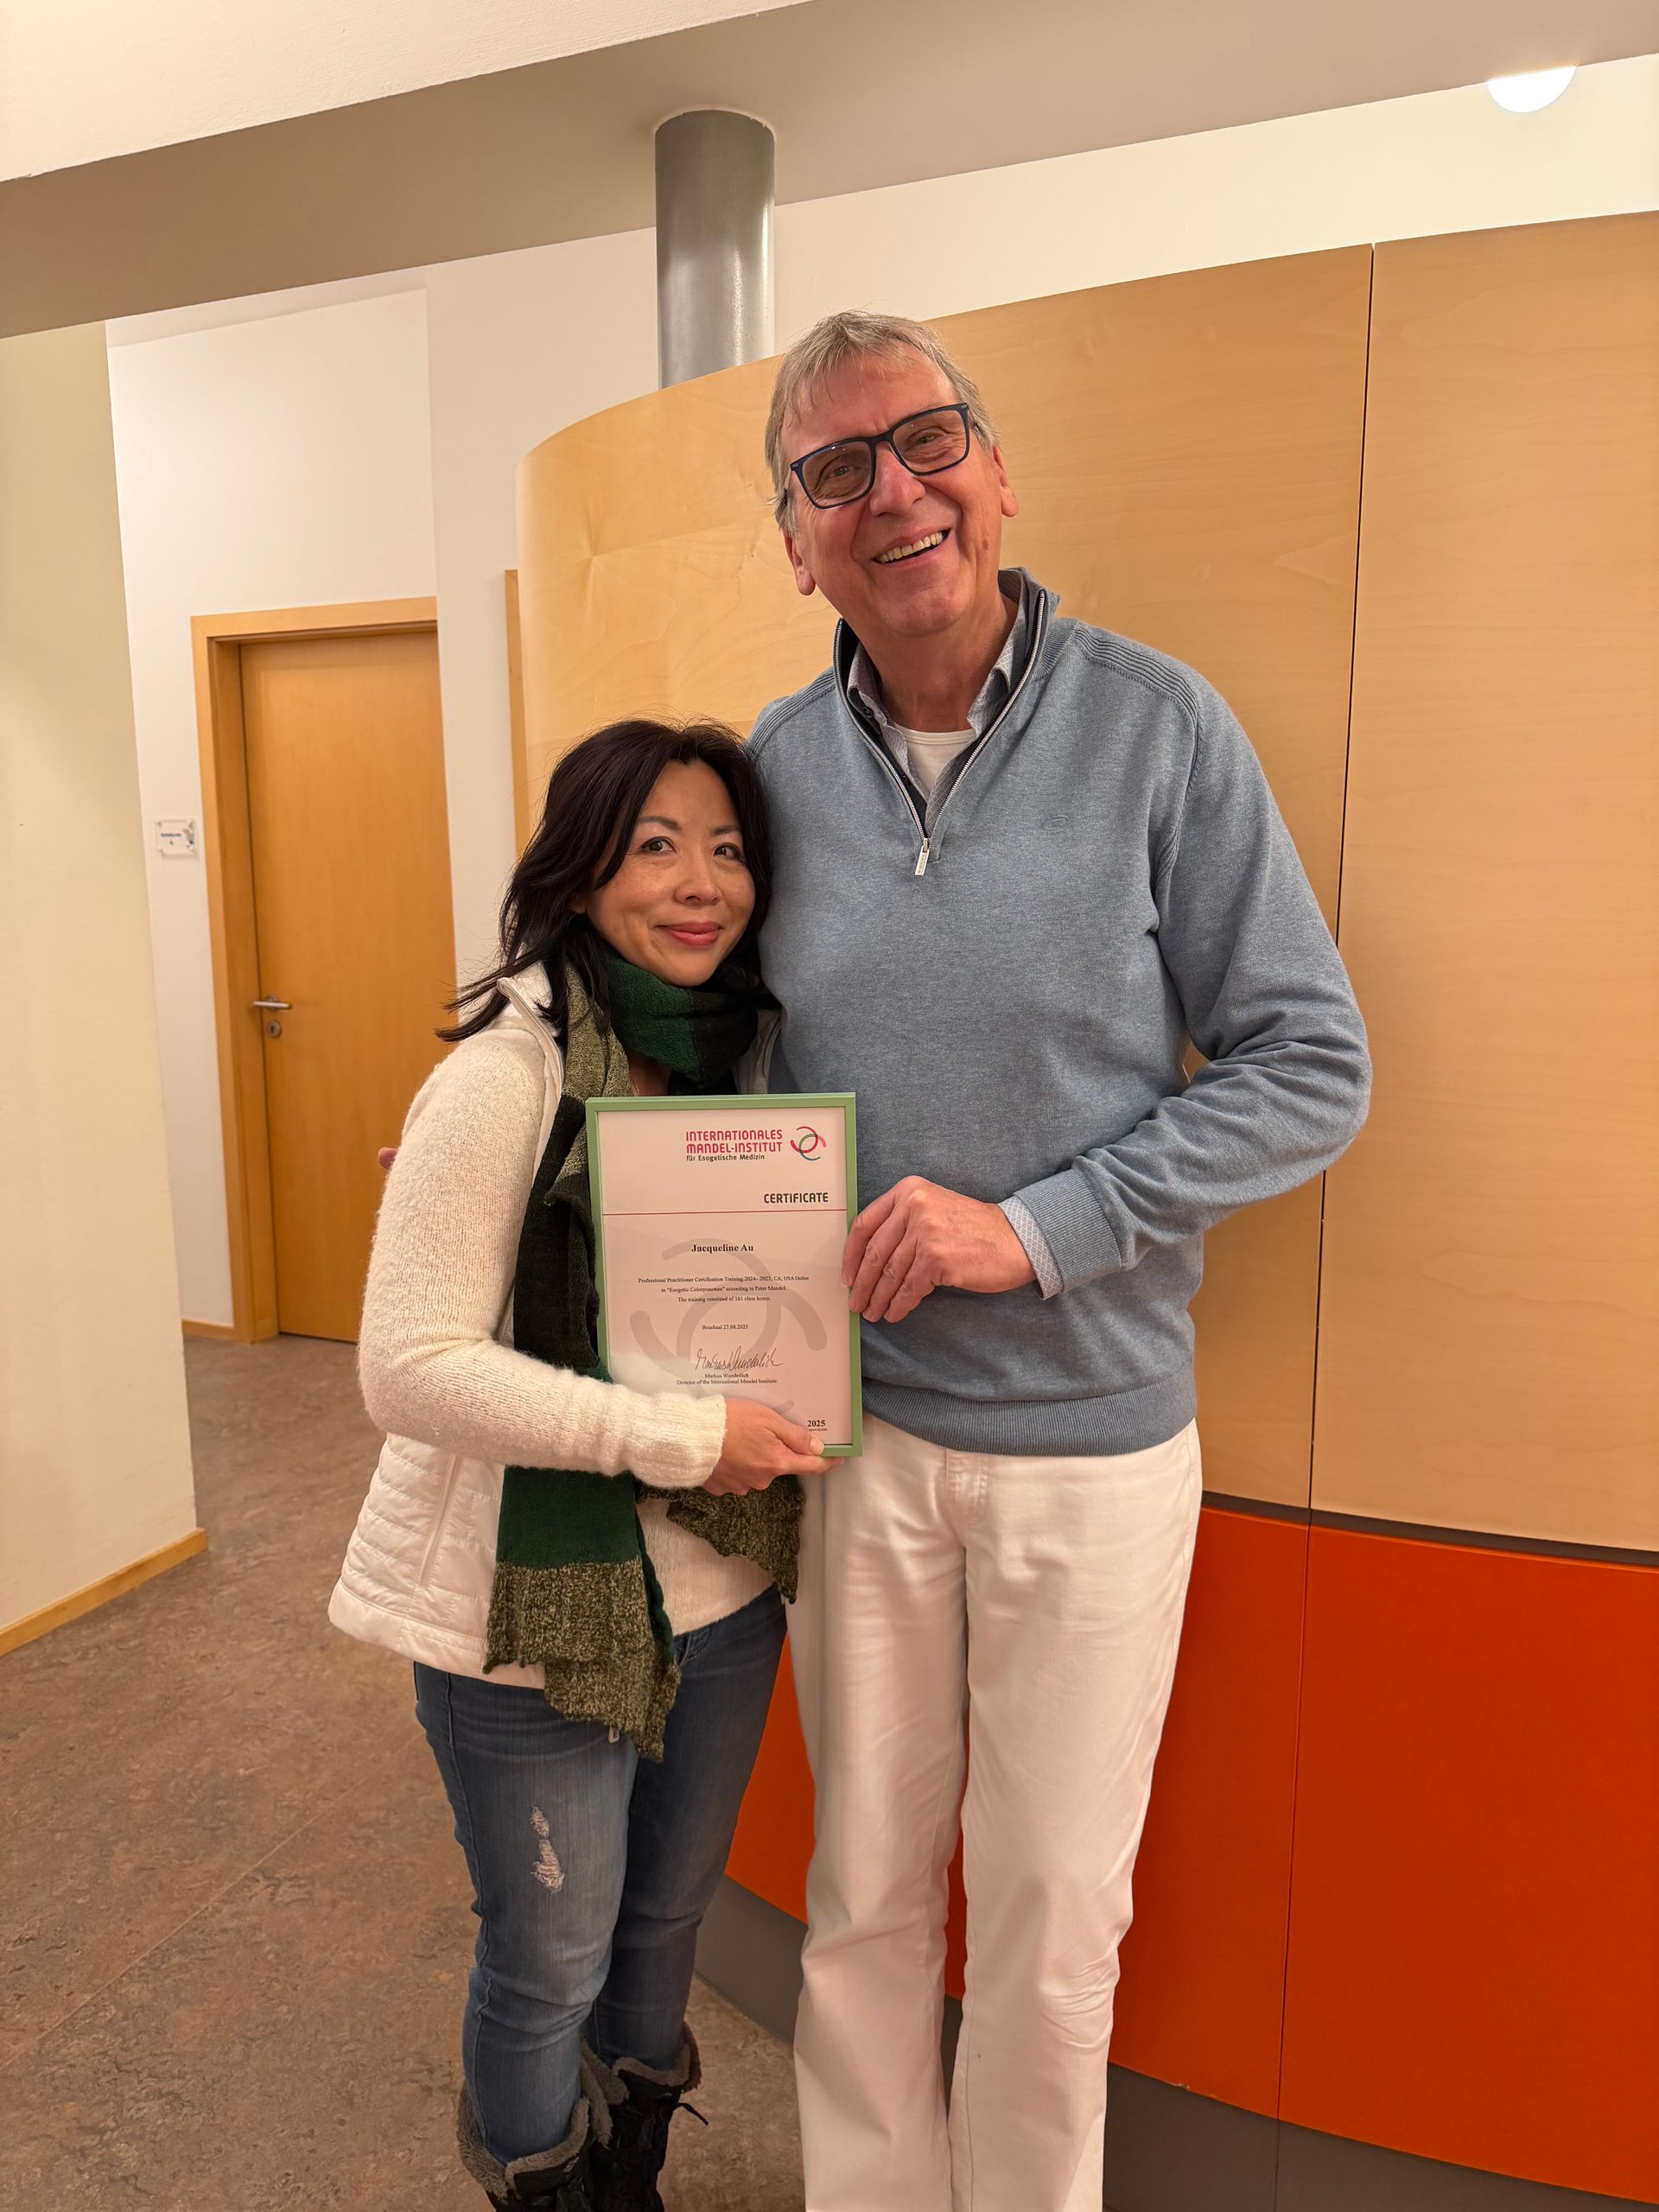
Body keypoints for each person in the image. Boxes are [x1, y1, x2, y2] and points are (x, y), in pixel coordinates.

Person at [747, 311, 1372, 2212]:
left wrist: (1032, 1233)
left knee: (1046, 1915)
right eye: (835, 471)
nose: (893, 495)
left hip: (1096, 1457)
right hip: (857, 1447)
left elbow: (1312, 1064)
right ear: (795, 540)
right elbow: (723, 1077)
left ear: (998, 474)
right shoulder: (767, 770)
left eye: (924, 442)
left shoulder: (1161, 728)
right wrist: (545, 1163)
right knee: (861, 1895)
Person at [328, 719, 827, 2212]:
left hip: (721, 1589)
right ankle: (543, 2187)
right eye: (655, 845)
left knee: (663, 1931)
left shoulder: (746, 1065)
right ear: (580, 867)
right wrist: (680, 1435)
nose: (699, 885)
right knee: (548, 1958)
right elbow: (404, 1366)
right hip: (521, 1613)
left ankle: (630, 2177)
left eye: (728, 848)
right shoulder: (509, 1071)